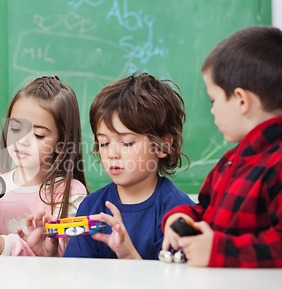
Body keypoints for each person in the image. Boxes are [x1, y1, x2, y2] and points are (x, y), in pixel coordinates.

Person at [161, 25, 282, 268]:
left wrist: (219, 251)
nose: (212, 110)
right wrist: (183, 217)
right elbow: (205, 210)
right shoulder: (230, 161)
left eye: (214, 99)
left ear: (241, 100)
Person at [64, 72, 194, 259]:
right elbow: (76, 277)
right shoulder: (91, 208)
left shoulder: (178, 212)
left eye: (126, 143)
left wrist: (129, 256)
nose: (112, 153)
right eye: (104, 143)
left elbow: (175, 284)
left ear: (163, 145)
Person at [0, 76, 89, 256]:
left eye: (38, 135)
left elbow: (66, 255)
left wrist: (3, 245)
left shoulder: (71, 194)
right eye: (16, 129)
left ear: (60, 145)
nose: (22, 141)